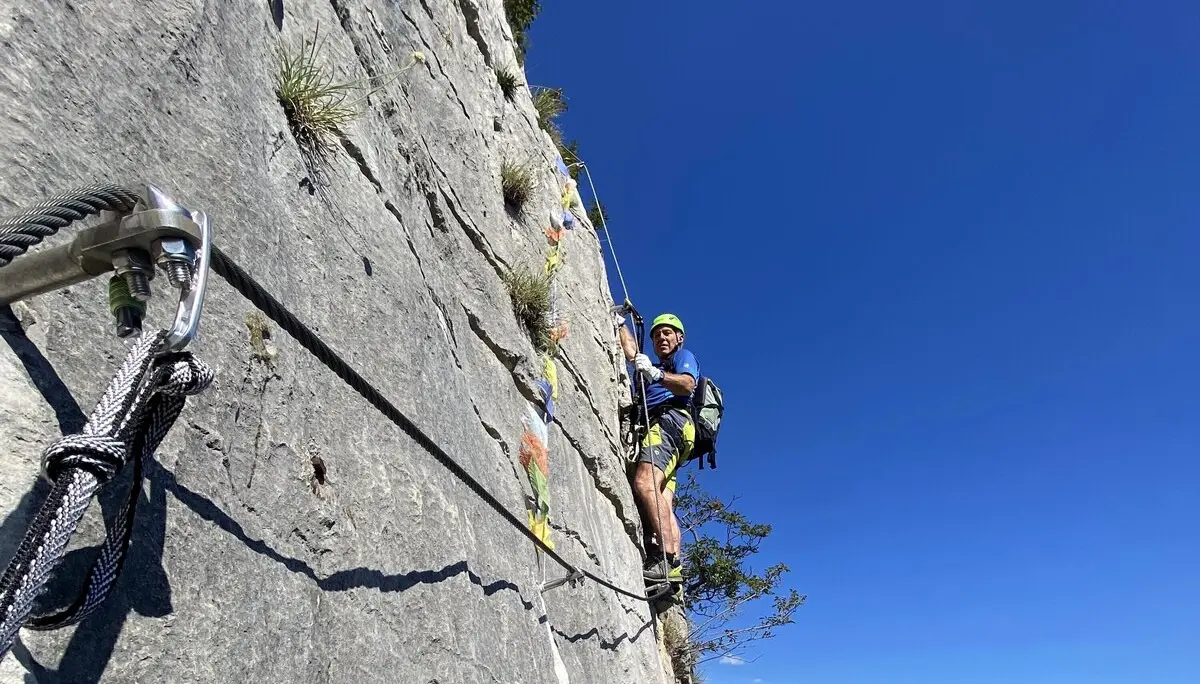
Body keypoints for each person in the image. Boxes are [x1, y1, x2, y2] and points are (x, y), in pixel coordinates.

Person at [615, 311, 698, 586]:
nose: (661, 337)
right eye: (656, 334)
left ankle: (665, 560)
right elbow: (632, 354)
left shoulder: (682, 358)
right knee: (663, 498)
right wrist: (619, 324)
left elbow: (687, 384)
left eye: (667, 333)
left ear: (679, 338)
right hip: (678, 433)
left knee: (645, 483)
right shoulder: (655, 367)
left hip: (669, 421)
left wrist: (656, 373)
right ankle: (674, 573)